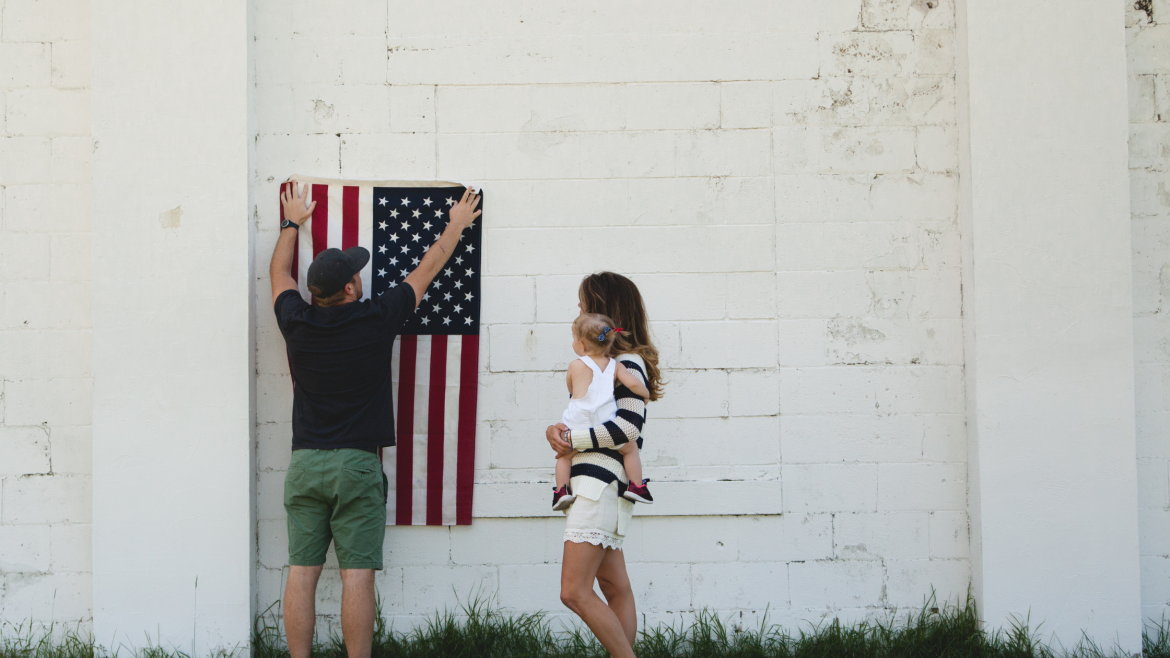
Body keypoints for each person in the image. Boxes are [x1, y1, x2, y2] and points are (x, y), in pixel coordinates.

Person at [270, 181, 481, 658]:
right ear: (349, 288)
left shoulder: (295, 322)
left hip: (305, 464)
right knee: (356, 575)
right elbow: (428, 268)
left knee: (301, 573)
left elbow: (279, 274)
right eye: (357, 274)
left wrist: (289, 224)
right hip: (357, 466)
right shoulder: (376, 318)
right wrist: (455, 225)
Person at [545, 272, 665, 658]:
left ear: (603, 309)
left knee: (573, 591)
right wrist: (557, 429)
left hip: (598, 486)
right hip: (600, 485)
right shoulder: (601, 365)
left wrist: (571, 441)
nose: (579, 309)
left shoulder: (626, 363)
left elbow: (628, 427)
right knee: (615, 588)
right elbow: (584, 418)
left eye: (584, 303)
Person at [551, 313, 653, 512]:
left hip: (577, 426)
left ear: (582, 345)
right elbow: (632, 383)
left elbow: (571, 390)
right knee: (630, 448)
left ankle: (562, 491)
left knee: (564, 456)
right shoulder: (616, 366)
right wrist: (645, 394)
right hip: (605, 425)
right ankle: (636, 486)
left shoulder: (575, 365)